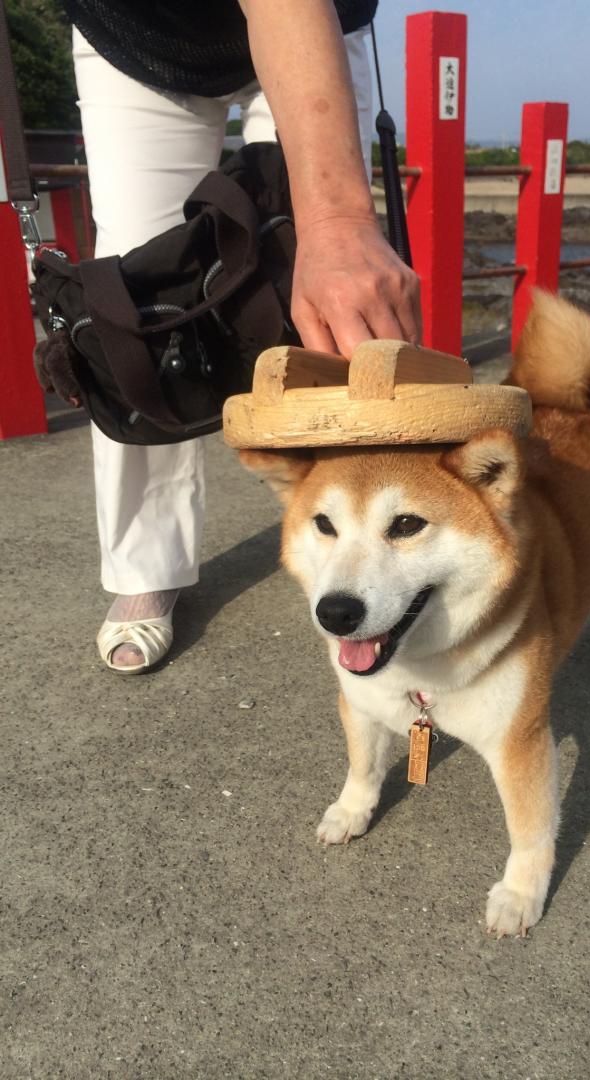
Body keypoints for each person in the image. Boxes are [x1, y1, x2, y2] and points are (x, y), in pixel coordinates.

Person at [60, 0, 421, 673]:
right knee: (133, 305)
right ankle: (144, 563)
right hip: (138, 33)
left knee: (321, 283)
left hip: (313, 18)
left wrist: (338, 221)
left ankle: (356, 535)